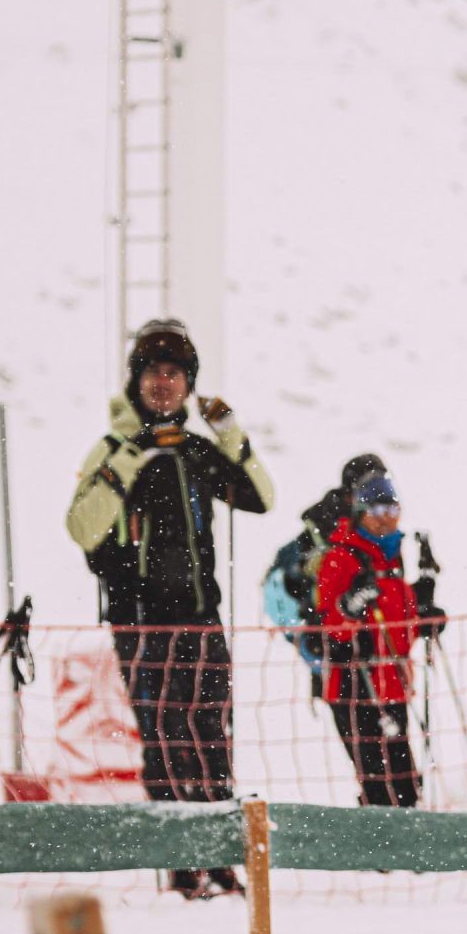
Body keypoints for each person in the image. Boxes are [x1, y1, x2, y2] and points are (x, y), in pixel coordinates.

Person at [64, 319, 272, 895]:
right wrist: (130, 458)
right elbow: (82, 528)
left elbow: (260, 496)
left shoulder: (197, 452)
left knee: (211, 737)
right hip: (141, 621)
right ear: (136, 380)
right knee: (165, 739)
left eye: (176, 372)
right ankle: (185, 867)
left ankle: (220, 860)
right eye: (154, 371)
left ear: (189, 383)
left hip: (203, 618)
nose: (164, 382)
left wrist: (228, 431)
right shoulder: (113, 450)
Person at [316, 475, 438, 808]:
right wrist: (349, 608)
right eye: (378, 508)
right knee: (375, 781)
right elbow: (326, 626)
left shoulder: (392, 558)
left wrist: (425, 617)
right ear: (361, 512)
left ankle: (404, 850)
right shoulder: (342, 556)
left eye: (393, 507)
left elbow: (401, 625)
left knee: (405, 784)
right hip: (353, 685)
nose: (387, 516)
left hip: (393, 683)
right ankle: (379, 854)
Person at [263, 451, 388, 696]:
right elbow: (286, 588)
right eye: (370, 486)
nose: (378, 494)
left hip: (377, 655)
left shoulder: (378, 529)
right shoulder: (319, 534)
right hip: (335, 653)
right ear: (351, 493)